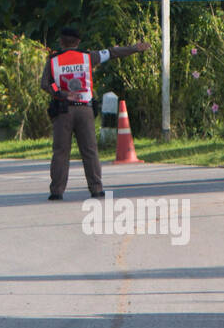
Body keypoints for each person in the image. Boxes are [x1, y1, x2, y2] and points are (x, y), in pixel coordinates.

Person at [41, 26, 148, 200]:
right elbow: (112, 52)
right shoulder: (89, 57)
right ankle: (96, 189)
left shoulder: (53, 60)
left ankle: (56, 191)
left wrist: (61, 93)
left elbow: (46, 84)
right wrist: (134, 48)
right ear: (78, 42)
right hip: (85, 109)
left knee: (60, 152)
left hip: (63, 110)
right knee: (90, 150)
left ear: (61, 42)